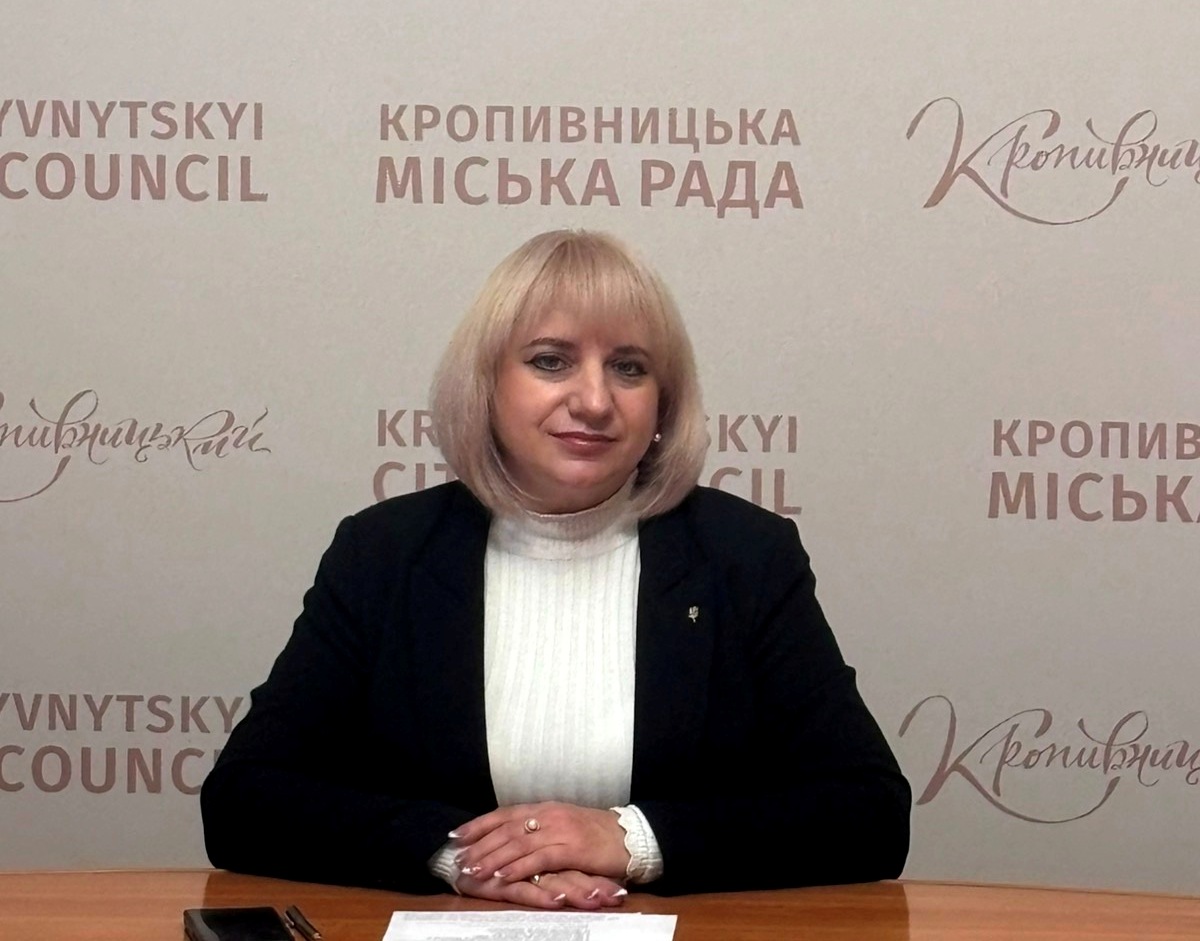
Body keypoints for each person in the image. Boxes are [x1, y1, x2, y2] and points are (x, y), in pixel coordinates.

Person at [200, 229, 911, 908]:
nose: (595, 400)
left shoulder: (744, 555)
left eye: (629, 368)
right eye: (550, 361)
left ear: (663, 402)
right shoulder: (385, 553)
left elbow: (870, 809)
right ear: (486, 386)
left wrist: (633, 839)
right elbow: (243, 798)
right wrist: (463, 856)